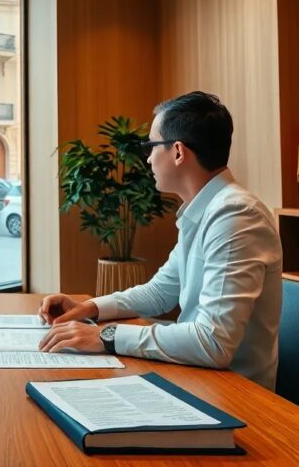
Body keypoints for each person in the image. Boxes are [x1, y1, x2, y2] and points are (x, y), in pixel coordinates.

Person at [38, 91, 283, 390]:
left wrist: (106, 336)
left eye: (152, 146)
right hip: (200, 378)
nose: (149, 158)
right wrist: (89, 307)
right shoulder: (207, 209)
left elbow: (214, 342)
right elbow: (159, 293)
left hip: (238, 395)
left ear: (178, 152)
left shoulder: (236, 215)